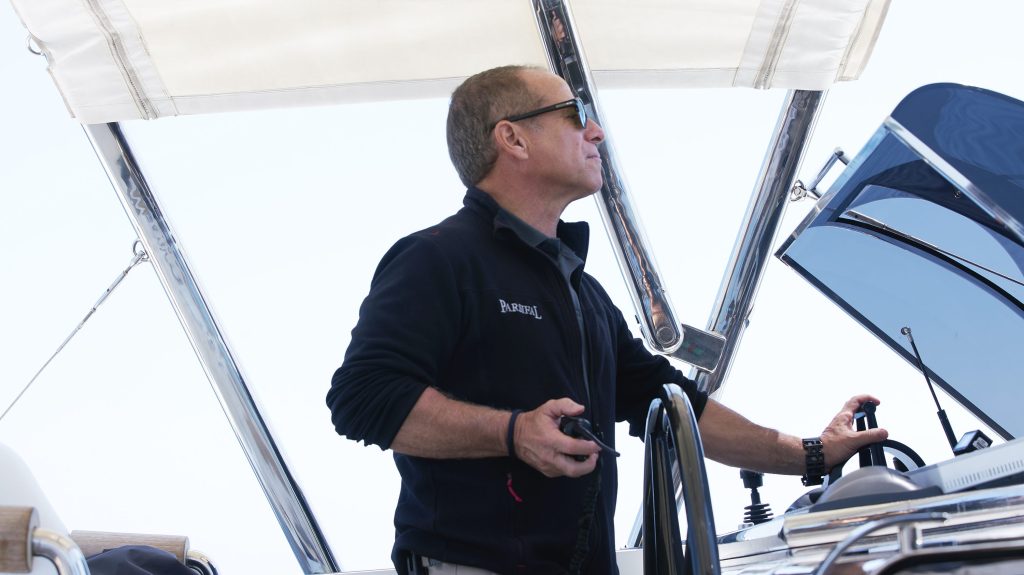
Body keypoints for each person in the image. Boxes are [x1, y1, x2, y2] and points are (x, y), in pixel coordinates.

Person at [326, 65, 888, 575]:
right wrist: (513, 432)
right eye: (576, 116)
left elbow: (670, 403)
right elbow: (362, 398)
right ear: (513, 137)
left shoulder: (585, 294)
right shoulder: (438, 259)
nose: (596, 133)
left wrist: (811, 453)